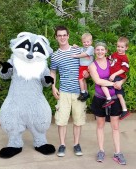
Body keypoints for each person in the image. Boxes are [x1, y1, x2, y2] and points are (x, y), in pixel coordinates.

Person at [50, 25, 87, 157]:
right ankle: (62, 145)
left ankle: (76, 144)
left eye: (64, 35)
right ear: (56, 37)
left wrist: (87, 74)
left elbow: (87, 64)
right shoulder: (54, 56)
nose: (62, 37)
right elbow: (53, 72)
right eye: (59, 35)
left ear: (68, 36)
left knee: (78, 119)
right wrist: (53, 87)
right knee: (61, 120)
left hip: (79, 91)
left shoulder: (78, 50)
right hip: (64, 91)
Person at [89, 42, 127, 165]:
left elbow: (124, 73)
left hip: (114, 98)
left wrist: (121, 82)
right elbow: (98, 80)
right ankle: (101, 150)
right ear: (95, 51)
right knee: (100, 125)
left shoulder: (112, 61)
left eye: (102, 50)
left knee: (115, 127)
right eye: (97, 50)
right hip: (100, 98)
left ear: (106, 51)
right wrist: (113, 84)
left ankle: (118, 153)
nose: (100, 52)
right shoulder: (92, 66)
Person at [100, 37, 130, 120]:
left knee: (103, 84)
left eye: (122, 47)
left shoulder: (124, 58)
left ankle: (109, 99)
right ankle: (124, 110)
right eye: (118, 46)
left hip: (118, 77)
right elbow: (108, 59)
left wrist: (114, 75)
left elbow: (125, 69)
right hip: (115, 77)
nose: (119, 49)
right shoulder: (114, 54)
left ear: (126, 48)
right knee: (119, 95)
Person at [71, 33, 94, 102]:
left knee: (80, 79)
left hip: (87, 66)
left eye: (88, 42)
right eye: (84, 42)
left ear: (91, 42)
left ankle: (83, 92)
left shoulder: (91, 48)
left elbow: (85, 54)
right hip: (82, 66)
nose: (86, 43)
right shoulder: (83, 48)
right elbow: (79, 49)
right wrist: (75, 46)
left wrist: (75, 56)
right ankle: (86, 92)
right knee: (83, 80)